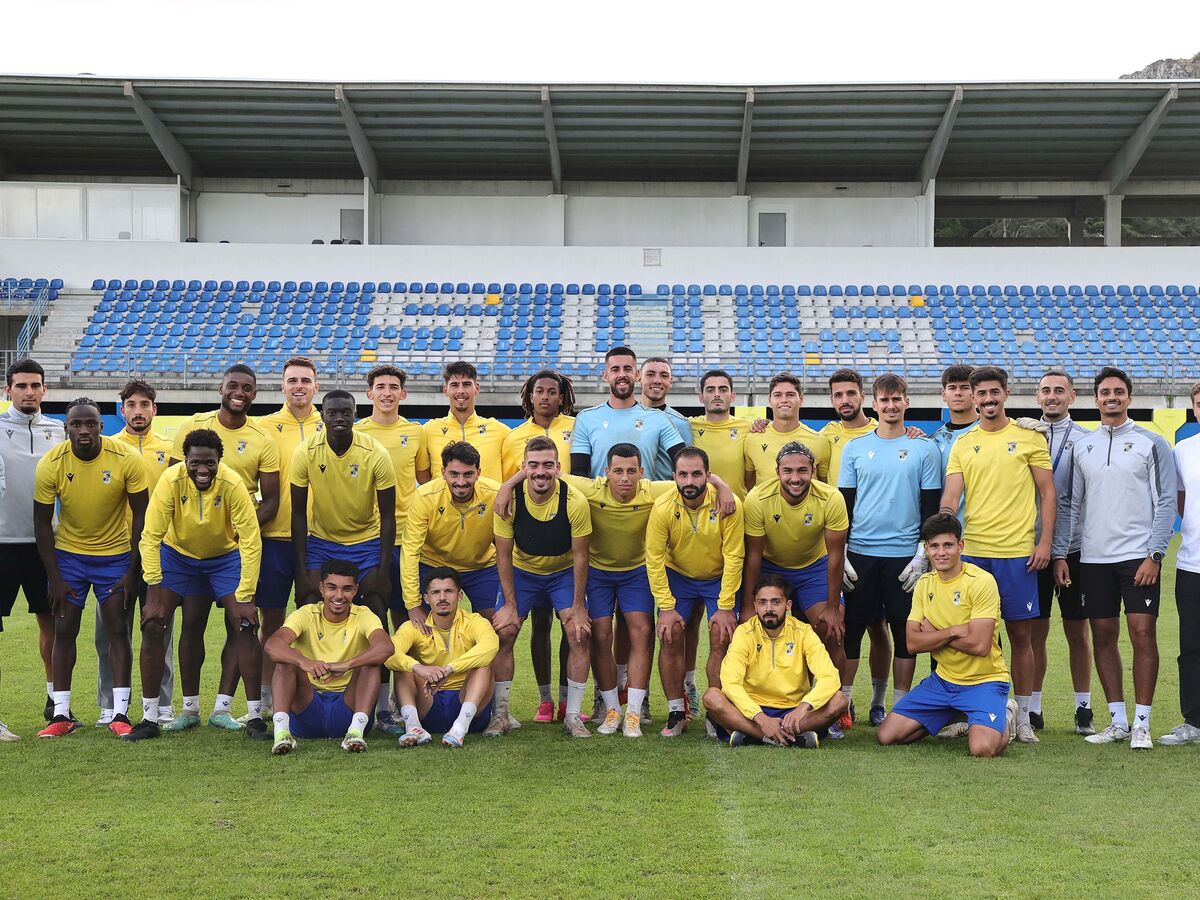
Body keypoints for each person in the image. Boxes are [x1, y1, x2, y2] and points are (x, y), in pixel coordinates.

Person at [1054, 367, 1175, 751]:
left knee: (1142, 634)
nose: (1111, 397)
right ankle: (1118, 720)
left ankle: (1142, 722)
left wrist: (1154, 554)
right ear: (1095, 399)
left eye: (1118, 392)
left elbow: (1166, 502)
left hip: (1138, 558)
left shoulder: (1152, 443)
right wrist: (1061, 553)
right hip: (1093, 560)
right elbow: (1071, 506)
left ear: (1129, 398)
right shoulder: (1082, 447)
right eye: (1105, 392)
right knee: (1103, 637)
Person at [124, 429, 263, 741]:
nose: (203, 470)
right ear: (185, 460)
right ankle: (156, 716)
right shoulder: (170, 481)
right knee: (153, 623)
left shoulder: (232, 483)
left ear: (219, 461)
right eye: (196, 463)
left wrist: (246, 595)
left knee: (245, 623)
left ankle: (254, 716)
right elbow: (151, 537)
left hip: (224, 558)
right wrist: (154, 591)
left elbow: (251, 540)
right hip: (179, 557)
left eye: (210, 463)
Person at [940, 366, 1055, 745]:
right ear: (973, 398)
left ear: (1005, 393)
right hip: (973, 556)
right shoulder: (963, 442)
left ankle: (1022, 718)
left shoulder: (1028, 437)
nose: (988, 400)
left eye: (994, 393)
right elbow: (950, 500)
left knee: (1021, 637)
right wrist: (943, 543)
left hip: (1018, 555)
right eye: (981, 394)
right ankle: (968, 713)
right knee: (974, 640)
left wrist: (1044, 544)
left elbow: (1047, 494)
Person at [170, 363, 279, 731]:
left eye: (247, 388)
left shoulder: (262, 438)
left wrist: (237, 529)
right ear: (221, 387)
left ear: (254, 394)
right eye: (233, 385)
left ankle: (223, 708)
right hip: (192, 548)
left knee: (242, 625)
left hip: (233, 548)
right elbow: (174, 486)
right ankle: (189, 709)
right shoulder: (194, 426)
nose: (239, 392)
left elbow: (271, 501)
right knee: (192, 623)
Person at [33, 399, 148, 738]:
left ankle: (119, 713)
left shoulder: (127, 458)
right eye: (76, 425)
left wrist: (131, 569)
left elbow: (142, 515)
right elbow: (41, 523)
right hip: (69, 557)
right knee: (64, 631)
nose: (84, 430)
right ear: (65, 427)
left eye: (91, 424)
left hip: (115, 558)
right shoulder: (51, 462)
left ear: (102, 425)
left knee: (117, 632)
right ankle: (61, 714)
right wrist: (54, 577)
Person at [837, 374, 942, 730]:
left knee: (904, 634)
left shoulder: (924, 448)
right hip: (862, 554)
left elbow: (930, 507)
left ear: (906, 402)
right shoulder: (854, 448)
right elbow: (845, 507)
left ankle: (897, 708)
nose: (891, 406)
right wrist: (844, 553)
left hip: (904, 557)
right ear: (873, 404)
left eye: (897, 399)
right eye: (884, 400)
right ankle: (843, 704)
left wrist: (921, 553)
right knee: (852, 630)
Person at [877, 513, 1015, 758]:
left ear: (960, 546)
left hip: (984, 681)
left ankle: (1006, 715)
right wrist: (952, 631)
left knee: (981, 749)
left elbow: (980, 645)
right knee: (887, 736)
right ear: (926, 549)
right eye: (934, 546)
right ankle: (955, 711)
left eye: (948, 545)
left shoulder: (982, 582)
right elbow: (911, 643)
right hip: (942, 681)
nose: (941, 553)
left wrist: (933, 634)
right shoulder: (924, 584)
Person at [488, 437, 592, 738]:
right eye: (533, 465)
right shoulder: (509, 499)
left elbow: (581, 556)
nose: (540, 471)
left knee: (578, 633)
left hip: (562, 573)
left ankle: (572, 716)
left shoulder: (574, 502)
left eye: (548, 464)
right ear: (523, 468)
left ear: (558, 468)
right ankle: (501, 713)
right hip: (523, 573)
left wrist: (579, 607)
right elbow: (503, 555)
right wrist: (510, 605)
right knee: (504, 632)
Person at [741, 442, 848, 730]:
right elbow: (752, 556)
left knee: (832, 629)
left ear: (813, 471)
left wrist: (832, 605)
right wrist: (749, 605)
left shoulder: (831, 498)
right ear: (776, 472)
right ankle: (753, 703)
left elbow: (836, 556)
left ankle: (832, 707)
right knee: (751, 629)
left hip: (813, 568)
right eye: (787, 470)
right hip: (770, 566)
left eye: (803, 470)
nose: (795, 477)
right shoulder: (758, 499)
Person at [648, 447, 744, 737]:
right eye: (683, 474)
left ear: (708, 475)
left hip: (717, 577)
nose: (689, 481)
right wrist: (665, 607)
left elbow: (735, 557)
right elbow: (653, 559)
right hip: (679, 576)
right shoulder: (663, 507)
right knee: (670, 632)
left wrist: (726, 605)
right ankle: (677, 711)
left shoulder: (728, 503)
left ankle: (717, 711)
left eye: (696, 474)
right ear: (674, 476)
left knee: (721, 634)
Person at [97, 380, 175, 727]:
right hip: (116, 552)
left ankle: (162, 704)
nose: (138, 411)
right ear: (122, 409)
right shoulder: (107, 448)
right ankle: (110, 705)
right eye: (132, 404)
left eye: (145, 404)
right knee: (111, 631)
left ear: (154, 410)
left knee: (160, 629)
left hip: (161, 551)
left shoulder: (170, 450)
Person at [500, 370, 576, 726]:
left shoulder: (577, 427)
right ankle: (544, 700)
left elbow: (573, 476)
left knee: (571, 626)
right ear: (529, 396)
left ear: (562, 396)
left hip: (565, 538)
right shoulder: (513, 437)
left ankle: (566, 701)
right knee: (539, 625)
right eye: (538, 392)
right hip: (527, 549)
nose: (545, 397)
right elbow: (513, 481)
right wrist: (508, 486)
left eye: (552, 392)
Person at [356, 364, 430, 730]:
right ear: (369, 394)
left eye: (394, 387)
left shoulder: (414, 433)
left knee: (407, 622)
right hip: (367, 540)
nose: (387, 393)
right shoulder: (356, 433)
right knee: (372, 622)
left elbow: (427, 484)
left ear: (403, 394)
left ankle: (408, 703)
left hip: (407, 541)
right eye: (380, 387)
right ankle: (374, 706)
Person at [254, 356, 324, 725]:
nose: (299, 386)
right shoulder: (263, 427)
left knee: (316, 618)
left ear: (316, 386)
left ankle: (317, 693)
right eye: (292, 380)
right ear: (282, 386)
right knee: (273, 621)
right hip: (273, 538)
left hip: (320, 538)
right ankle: (268, 698)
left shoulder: (330, 424)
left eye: (306, 380)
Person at [264, 558, 392, 754]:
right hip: (308, 708)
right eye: (332, 588)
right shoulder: (306, 613)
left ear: (356, 590)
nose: (339, 595)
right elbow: (272, 645)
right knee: (287, 659)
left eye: (347, 589)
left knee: (370, 662)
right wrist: (305, 662)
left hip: (349, 709)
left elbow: (385, 647)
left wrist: (348, 664)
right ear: (321, 588)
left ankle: (355, 733)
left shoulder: (364, 614)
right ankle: (282, 734)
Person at [704, 574, 846, 747]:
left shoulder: (804, 632)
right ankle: (785, 738)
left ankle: (754, 736)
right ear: (755, 605)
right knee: (712, 696)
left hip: (794, 713)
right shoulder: (744, 633)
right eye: (762, 602)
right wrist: (760, 718)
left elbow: (830, 677)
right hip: (754, 709)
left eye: (775, 602)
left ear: (788, 605)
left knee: (839, 700)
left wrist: (803, 707)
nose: (768, 608)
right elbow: (730, 682)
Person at [291, 390, 396, 616]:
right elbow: (298, 514)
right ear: (322, 416)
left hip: (366, 542)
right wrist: (300, 572)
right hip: (322, 542)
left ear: (355, 415)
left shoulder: (376, 453)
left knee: (376, 604)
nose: (339, 418)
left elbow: (388, 516)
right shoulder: (305, 452)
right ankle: (316, 652)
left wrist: (384, 572)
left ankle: (376, 651)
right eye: (333, 413)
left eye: (346, 413)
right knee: (308, 602)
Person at [0, 358, 65, 723]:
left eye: (35, 385)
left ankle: (56, 701)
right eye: (21, 385)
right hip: (2, 542)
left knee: (52, 623)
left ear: (44, 389)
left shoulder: (57, 431)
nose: (29, 392)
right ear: (7, 390)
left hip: (45, 545)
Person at [1030, 368, 1094, 734]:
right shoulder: (1024, 436)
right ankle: (1034, 708)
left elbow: (1076, 501)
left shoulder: (1085, 440)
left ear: (1072, 397)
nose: (1051, 396)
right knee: (1034, 633)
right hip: (1033, 548)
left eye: (1059, 391)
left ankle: (1082, 707)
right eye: (1045, 391)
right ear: (1037, 397)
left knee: (1077, 632)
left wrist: (1061, 552)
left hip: (1074, 549)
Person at [386, 566, 499, 748]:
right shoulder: (413, 627)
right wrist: (418, 667)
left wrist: (450, 669)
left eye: (449, 591)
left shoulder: (475, 621)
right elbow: (389, 654)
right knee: (403, 665)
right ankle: (414, 727)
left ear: (460, 595)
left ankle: (459, 729)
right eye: (436, 592)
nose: (442, 598)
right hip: (428, 701)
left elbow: (491, 645)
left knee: (484, 664)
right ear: (426, 598)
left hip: (468, 704)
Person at [402, 442, 500, 623]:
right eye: (454, 474)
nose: (461, 482)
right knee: (424, 630)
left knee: (501, 627)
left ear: (478, 472)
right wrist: (413, 605)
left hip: (481, 567)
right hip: (433, 564)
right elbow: (410, 551)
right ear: (443, 472)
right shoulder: (425, 497)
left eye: (468, 474)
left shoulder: (495, 494)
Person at [571, 347, 685, 480]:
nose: (622, 374)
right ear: (605, 376)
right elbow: (578, 474)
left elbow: (685, 460)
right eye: (615, 369)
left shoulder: (659, 418)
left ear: (637, 375)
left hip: (645, 500)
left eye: (627, 369)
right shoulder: (586, 418)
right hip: (599, 500)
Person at [1162, 380, 1200, 746]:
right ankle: (1194, 721)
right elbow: (1180, 499)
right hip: (1192, 564)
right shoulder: (1184, 450)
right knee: (1191, 645)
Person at [422, 361, 509, 482]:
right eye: (454, 385)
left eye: (467, 384)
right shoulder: (428, 430)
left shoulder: (500, 431)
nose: (461, 391)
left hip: (488, 500)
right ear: (445, 390)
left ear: (477, 388)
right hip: (442, 501)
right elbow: (423, 477)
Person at [743, 372, 831, 488]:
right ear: (769, 400)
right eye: (777, 395)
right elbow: (749, 486)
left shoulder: (820, 441)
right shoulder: (752, 439)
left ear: (801, 399)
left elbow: (824, 487)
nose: (784, 400)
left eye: (790, 395)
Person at [689, 369, 751, 498]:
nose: (717, 394)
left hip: (737, 507)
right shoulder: (688, 425)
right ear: (701, 397)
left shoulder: (748, 427)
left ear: (733, 396)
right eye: (710, 390)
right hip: (699, 508)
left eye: (723, 390)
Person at [818, 369, 878, 485]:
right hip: (837, 503)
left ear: (862, 396)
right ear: (832, 400)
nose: (845, 401)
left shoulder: (880, 432)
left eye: (851, 393)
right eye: (838, 395)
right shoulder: (827, 433)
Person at [639, 357, 694, 478]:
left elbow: (688, 468)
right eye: (650, 374)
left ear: (670, 381)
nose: (657, 380)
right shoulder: (628, 417)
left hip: (666, 494)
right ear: (639, 378)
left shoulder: (681, 423)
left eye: (664, 376)